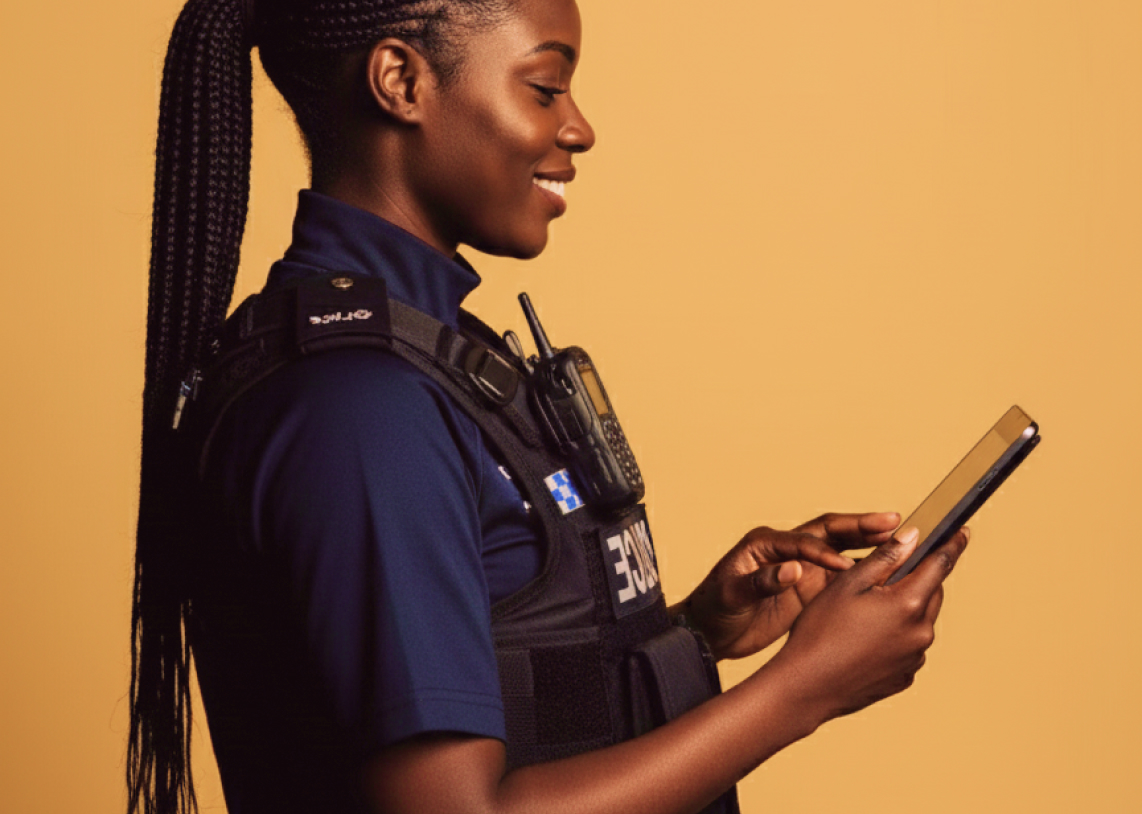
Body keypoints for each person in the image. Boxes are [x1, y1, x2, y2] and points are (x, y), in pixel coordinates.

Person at [128, 1, 970, 813]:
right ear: (400, 81)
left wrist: (689, 638)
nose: (579, 128)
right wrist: (803, 689)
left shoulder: (430, 356)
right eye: (544, 88)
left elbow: (507, 693)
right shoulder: (359, 409)